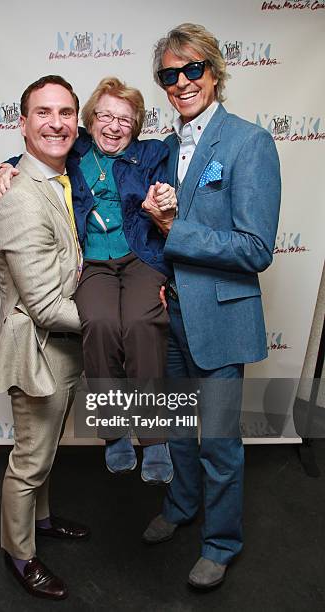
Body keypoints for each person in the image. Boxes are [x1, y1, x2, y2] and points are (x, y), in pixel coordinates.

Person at [141, 23, 281, 589]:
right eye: (169, 75)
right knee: (177, 427)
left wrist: (176, 228)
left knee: (219, 440)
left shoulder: (250, 142)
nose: (181, 82)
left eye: (192, 69)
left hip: (220, 318)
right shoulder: (168, 146)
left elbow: (255, 249)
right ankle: (181, 506)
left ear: (216, 71)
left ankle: (221, 542)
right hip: (170, 315)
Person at [0, 77, 177, 484]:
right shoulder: (75, 146)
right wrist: (5, 169)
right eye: (105, 115)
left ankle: (155, 437)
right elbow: (33, 154)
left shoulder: (152, 153)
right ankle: (113, 432)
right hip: (90, 260)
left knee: (143, 323)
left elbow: (171, 193)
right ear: (90, 120)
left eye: (125, 119)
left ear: (137, 124)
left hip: (140, 255)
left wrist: (161, 201)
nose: (114, 125)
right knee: (101, 322)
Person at [0, 75, 90, 601]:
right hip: (38, 352)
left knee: (44, 452)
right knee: (29, 460)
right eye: (43, 112)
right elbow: (47, 305)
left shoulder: (63, 174)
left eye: (66, 112)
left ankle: (41, 523)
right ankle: (19, 553)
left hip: (62, 349)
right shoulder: (21, 200)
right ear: (23, 123)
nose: (57, 122)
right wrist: (112, 322)